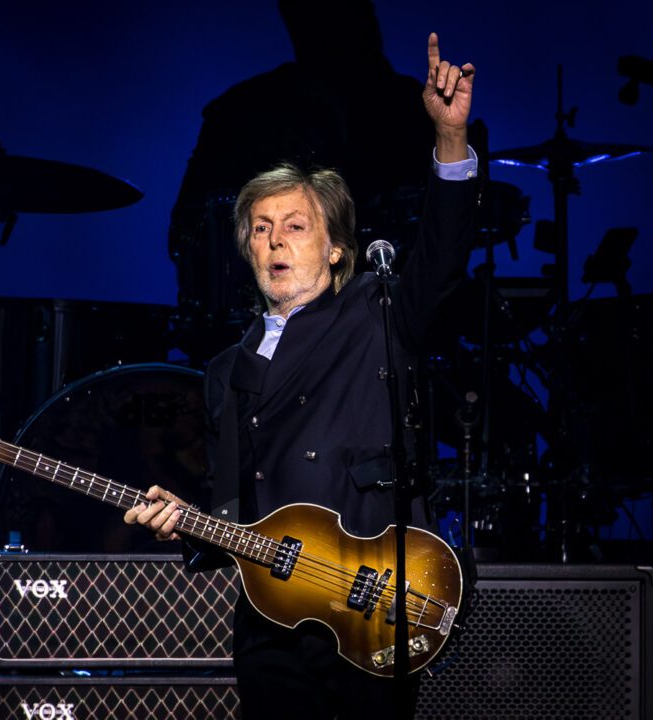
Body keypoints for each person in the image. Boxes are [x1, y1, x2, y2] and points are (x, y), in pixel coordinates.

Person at [126, 33, 477, 720]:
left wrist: (450, 138)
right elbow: (233, 509)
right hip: (273, 623)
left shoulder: (378, 314)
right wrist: (183, 523)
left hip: (372, 606)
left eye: (294, 226)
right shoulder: (226, 371)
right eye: (260, 229)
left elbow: (442, 254)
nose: (275, 241)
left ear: (337, 247)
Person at [169, 0, 438, 365]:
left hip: (389, 324)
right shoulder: (241, 111)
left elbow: (443, 228)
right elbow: (187, 229)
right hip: (259, 327)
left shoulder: (410, 106)